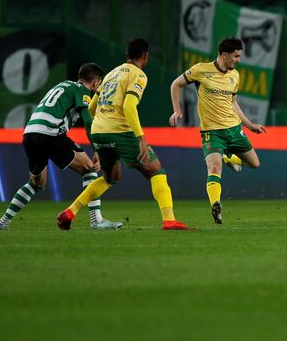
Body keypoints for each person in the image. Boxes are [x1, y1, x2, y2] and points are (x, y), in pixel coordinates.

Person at [56, 38, 190, 231]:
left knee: (111, 177)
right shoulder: (139, 75)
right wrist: (141, 138)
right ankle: (169, 220)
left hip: (99, 131)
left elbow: (91, 108)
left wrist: (100, 131)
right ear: (145, 56)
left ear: (127, 55)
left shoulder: (111, 74)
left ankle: (70, 212)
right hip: (119, 131)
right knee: (156, 171)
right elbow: (128, 106)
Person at [0, 64, 122, 231]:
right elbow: (89, 120)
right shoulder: (82, 90)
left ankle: (3, 222)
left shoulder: (63, 85)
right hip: (50, 133)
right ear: (96, 83)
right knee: (89, 169)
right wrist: (97, 149)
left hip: (30, 134)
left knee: (36, 183)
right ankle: (96, 220)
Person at [168, 37, 265, 224]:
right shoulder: (200, 70)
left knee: (255, 164)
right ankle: (216, 205)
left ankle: (229, 157)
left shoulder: (234, 76)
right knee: (213, 168)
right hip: (212, 132)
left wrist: (250, 125)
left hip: (234, 129)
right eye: (236, 56)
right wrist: (177, 110)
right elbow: (175, 84)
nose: (238, 60)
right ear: (224, 55)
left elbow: (233, 103)